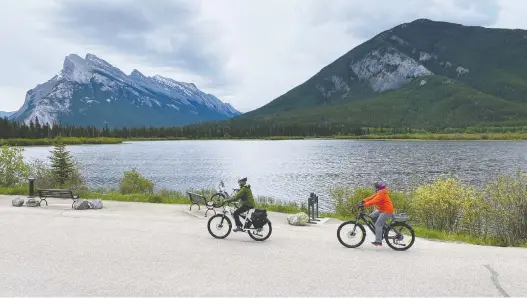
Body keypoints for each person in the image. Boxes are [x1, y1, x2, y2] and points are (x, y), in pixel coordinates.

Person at [357, 182, 394, 246]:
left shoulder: (381, 194)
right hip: (382, 210)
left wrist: (364, 205)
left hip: (387, 211)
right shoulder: (380, 192)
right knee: (372, 216)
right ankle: (381, 229)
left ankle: (378, 241)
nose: (375, 189)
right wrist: (363, 201)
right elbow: (371, 198)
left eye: (376, 188)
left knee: (378, 225)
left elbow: (373, 201)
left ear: (378, 188)